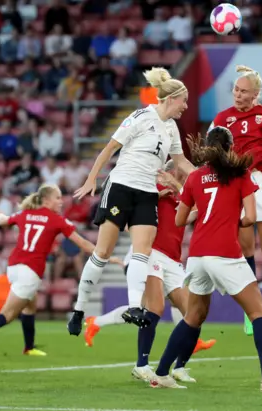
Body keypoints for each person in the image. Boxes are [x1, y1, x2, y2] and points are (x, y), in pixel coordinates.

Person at [149, 127, 262, 392]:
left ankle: (161, 374)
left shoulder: (195, 177)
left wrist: (205, 216)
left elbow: (180, 219)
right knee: (257, 311)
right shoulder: (240, 175)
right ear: (230, 147)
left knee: (193, 317)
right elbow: (250, 217)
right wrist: (230, 219)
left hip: (198, 255)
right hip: (224, 253)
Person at [68, 67, 194, 335]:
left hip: (147, 193)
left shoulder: (171, 128)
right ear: (171, 98)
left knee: (142, 251)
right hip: (121, 187)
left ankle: (134, 306)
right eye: (184, 100)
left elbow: (181, 161)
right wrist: (92, 179)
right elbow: (110, 148)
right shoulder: (140, 116)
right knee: (102, 254)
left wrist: (206, 178)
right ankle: (79, 310)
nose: (186, 106)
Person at [83, 161, 216, 383]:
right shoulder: (151, 189)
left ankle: (180, 366)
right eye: (183, 172)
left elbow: (199, 211)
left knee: (192, 313)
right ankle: (141, 365)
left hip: (173, 260)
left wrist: (177, 188)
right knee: (155, 308)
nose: (189, 176)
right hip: (151, 252)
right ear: (172, 171)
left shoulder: (186, 194)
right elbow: (126, 218)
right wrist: (154, 198)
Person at [0, 184, 122, 353]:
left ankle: (29, 347)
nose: (61, 202)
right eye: (58, 198)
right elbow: (83, 244)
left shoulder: (24, 214)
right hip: (30, 271)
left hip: (13, 267)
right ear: (47, 200)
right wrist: (107, 256)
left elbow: (3, 221)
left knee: (30, 305)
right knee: (7, 315)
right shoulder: (57, 219)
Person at [209, 65, 262, 337]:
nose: (237, 95)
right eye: (235, 89)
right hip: (238, 185)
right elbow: (211, 154)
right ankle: (250, 311)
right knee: (245, 250)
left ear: (256, 94)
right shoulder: (222, 118)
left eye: (244, 91)